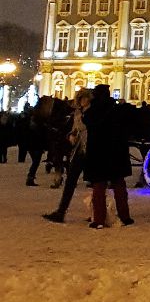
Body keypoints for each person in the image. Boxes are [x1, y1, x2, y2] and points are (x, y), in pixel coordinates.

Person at [82, 83, 134, 228]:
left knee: (99, 186)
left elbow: (86, 121)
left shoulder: (92, 111)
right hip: (117, 151)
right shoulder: (117, 109)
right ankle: (125, 216)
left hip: (98, 152)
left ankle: (99, 219)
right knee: (119, 186)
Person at [43, 87, 92, 224]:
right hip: (78, 150)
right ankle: (61, 211)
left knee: (94, 183)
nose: (83, 101)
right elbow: (74, 129)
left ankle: (96, 212)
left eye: (85, 98)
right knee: (70, 181)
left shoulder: (92, 113)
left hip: (90, 150)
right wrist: (72, 134)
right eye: (81, 98)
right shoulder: (77, 113)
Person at [25, 95, 54, 186]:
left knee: (35, 161)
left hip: (33, 141)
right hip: (36, 142)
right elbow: (41, 130)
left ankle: (30, 177)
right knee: (36, 161)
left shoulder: (35, 114)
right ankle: (30, 177)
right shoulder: (41, 116)